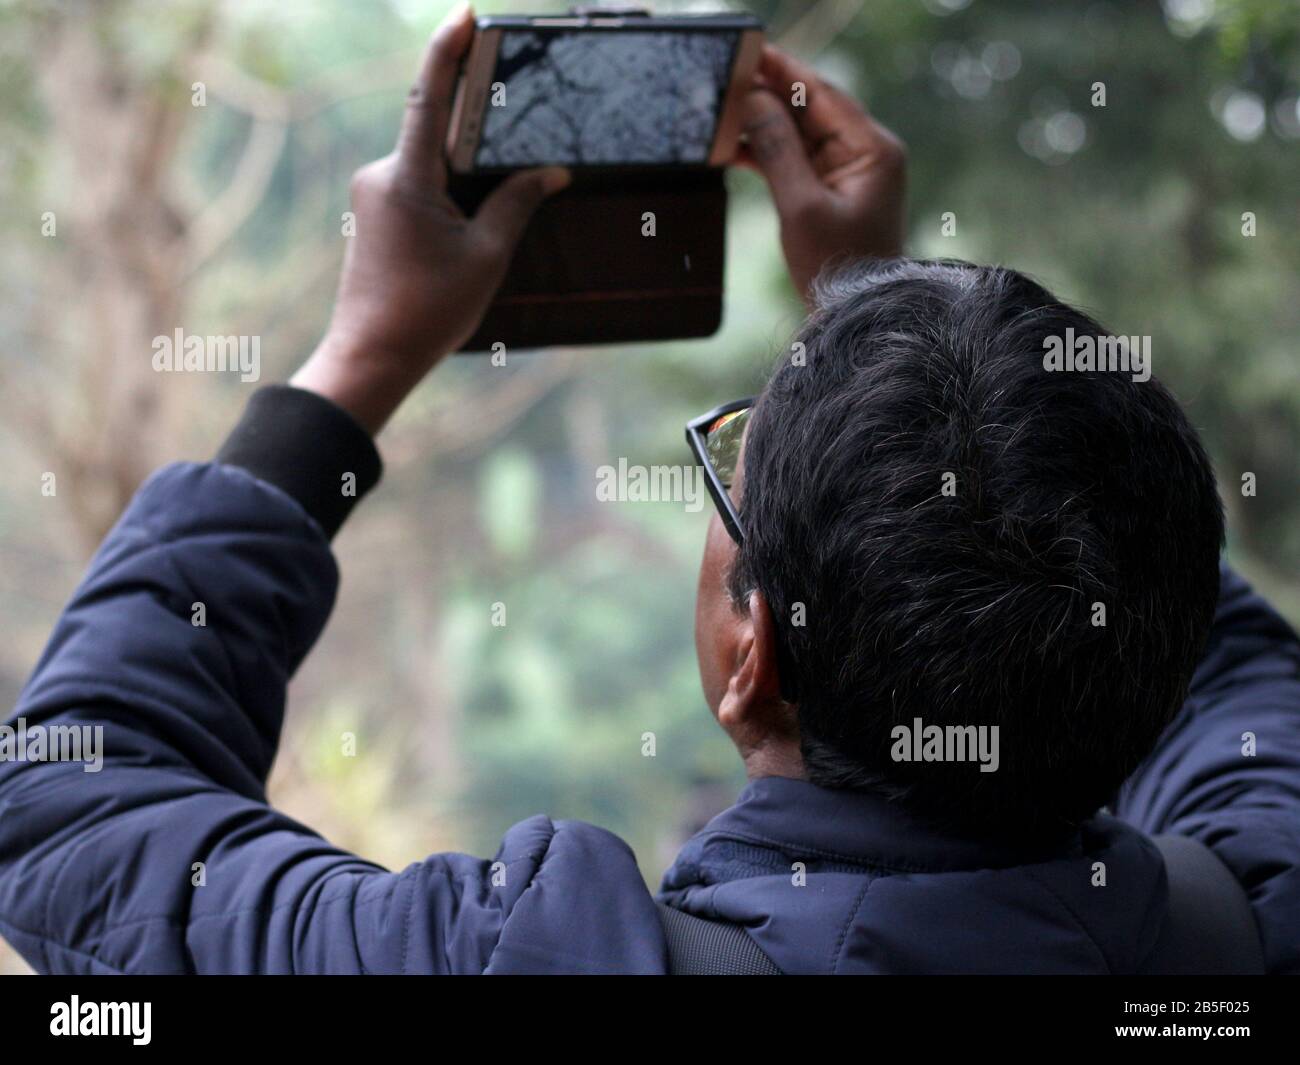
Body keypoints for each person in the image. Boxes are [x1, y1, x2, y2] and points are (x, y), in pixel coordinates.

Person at [0, 5, 1296, 975]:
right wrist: (900, 339)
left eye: (734, 467)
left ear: (753, 651)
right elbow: (1185, 625)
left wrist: (360, 360)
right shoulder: (1253, 914)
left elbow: (66, 809)